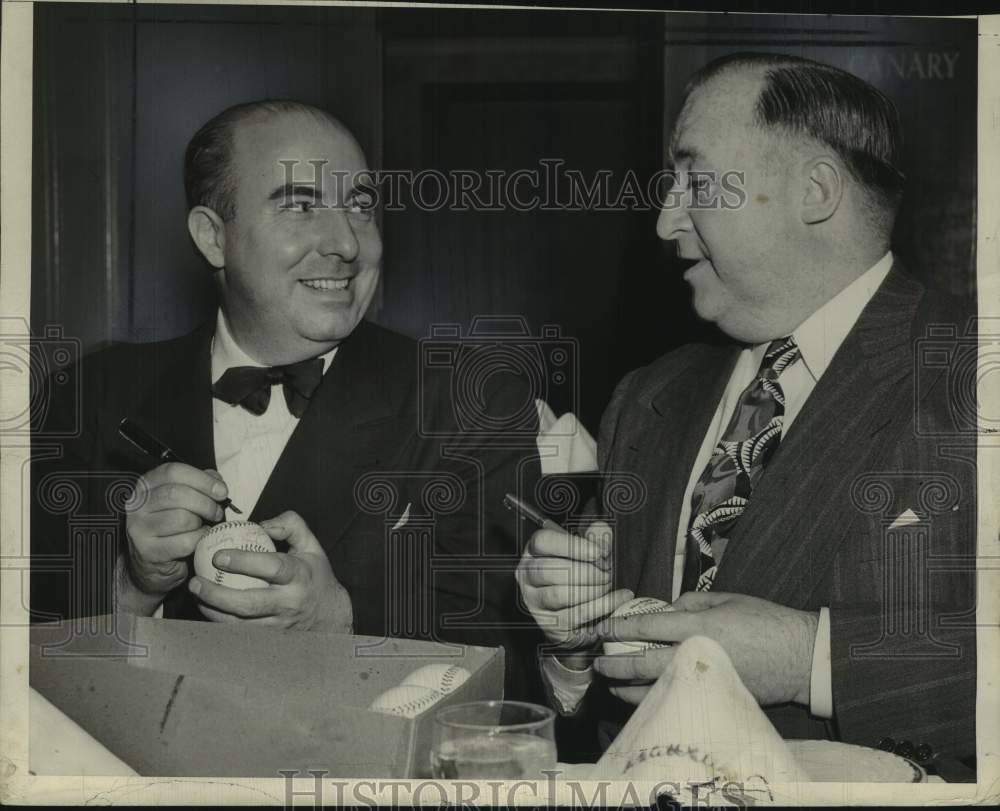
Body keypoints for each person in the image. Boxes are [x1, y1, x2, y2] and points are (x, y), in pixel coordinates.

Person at [516, 53, 977, 772]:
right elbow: (595, 727)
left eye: (696, 181)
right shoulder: (645, 397)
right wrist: (572, 647)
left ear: (816, 190)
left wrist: (808, 659)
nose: (667, 219)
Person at [30, 99, 544, 703]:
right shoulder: (90, 393)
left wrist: (342, 623)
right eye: (300, 205)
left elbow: (518, 664)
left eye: (359, 207)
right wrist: (132, 586)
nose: (346, 244)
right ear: (213, 237)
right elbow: (24, 659)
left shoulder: (470, 399)